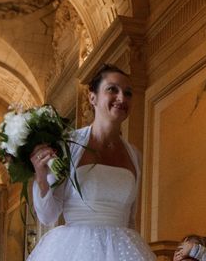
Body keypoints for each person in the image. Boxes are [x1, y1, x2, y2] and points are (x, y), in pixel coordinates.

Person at [27, 64, 156, 261]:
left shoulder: (135, 155)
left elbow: (130, 219)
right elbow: (48, 216)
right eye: (112, 89)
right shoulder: (69, 146)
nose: (122, 98)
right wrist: (41, 176)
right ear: (92, 97)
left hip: (123, 250)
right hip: (74, 249)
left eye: (128, 93)